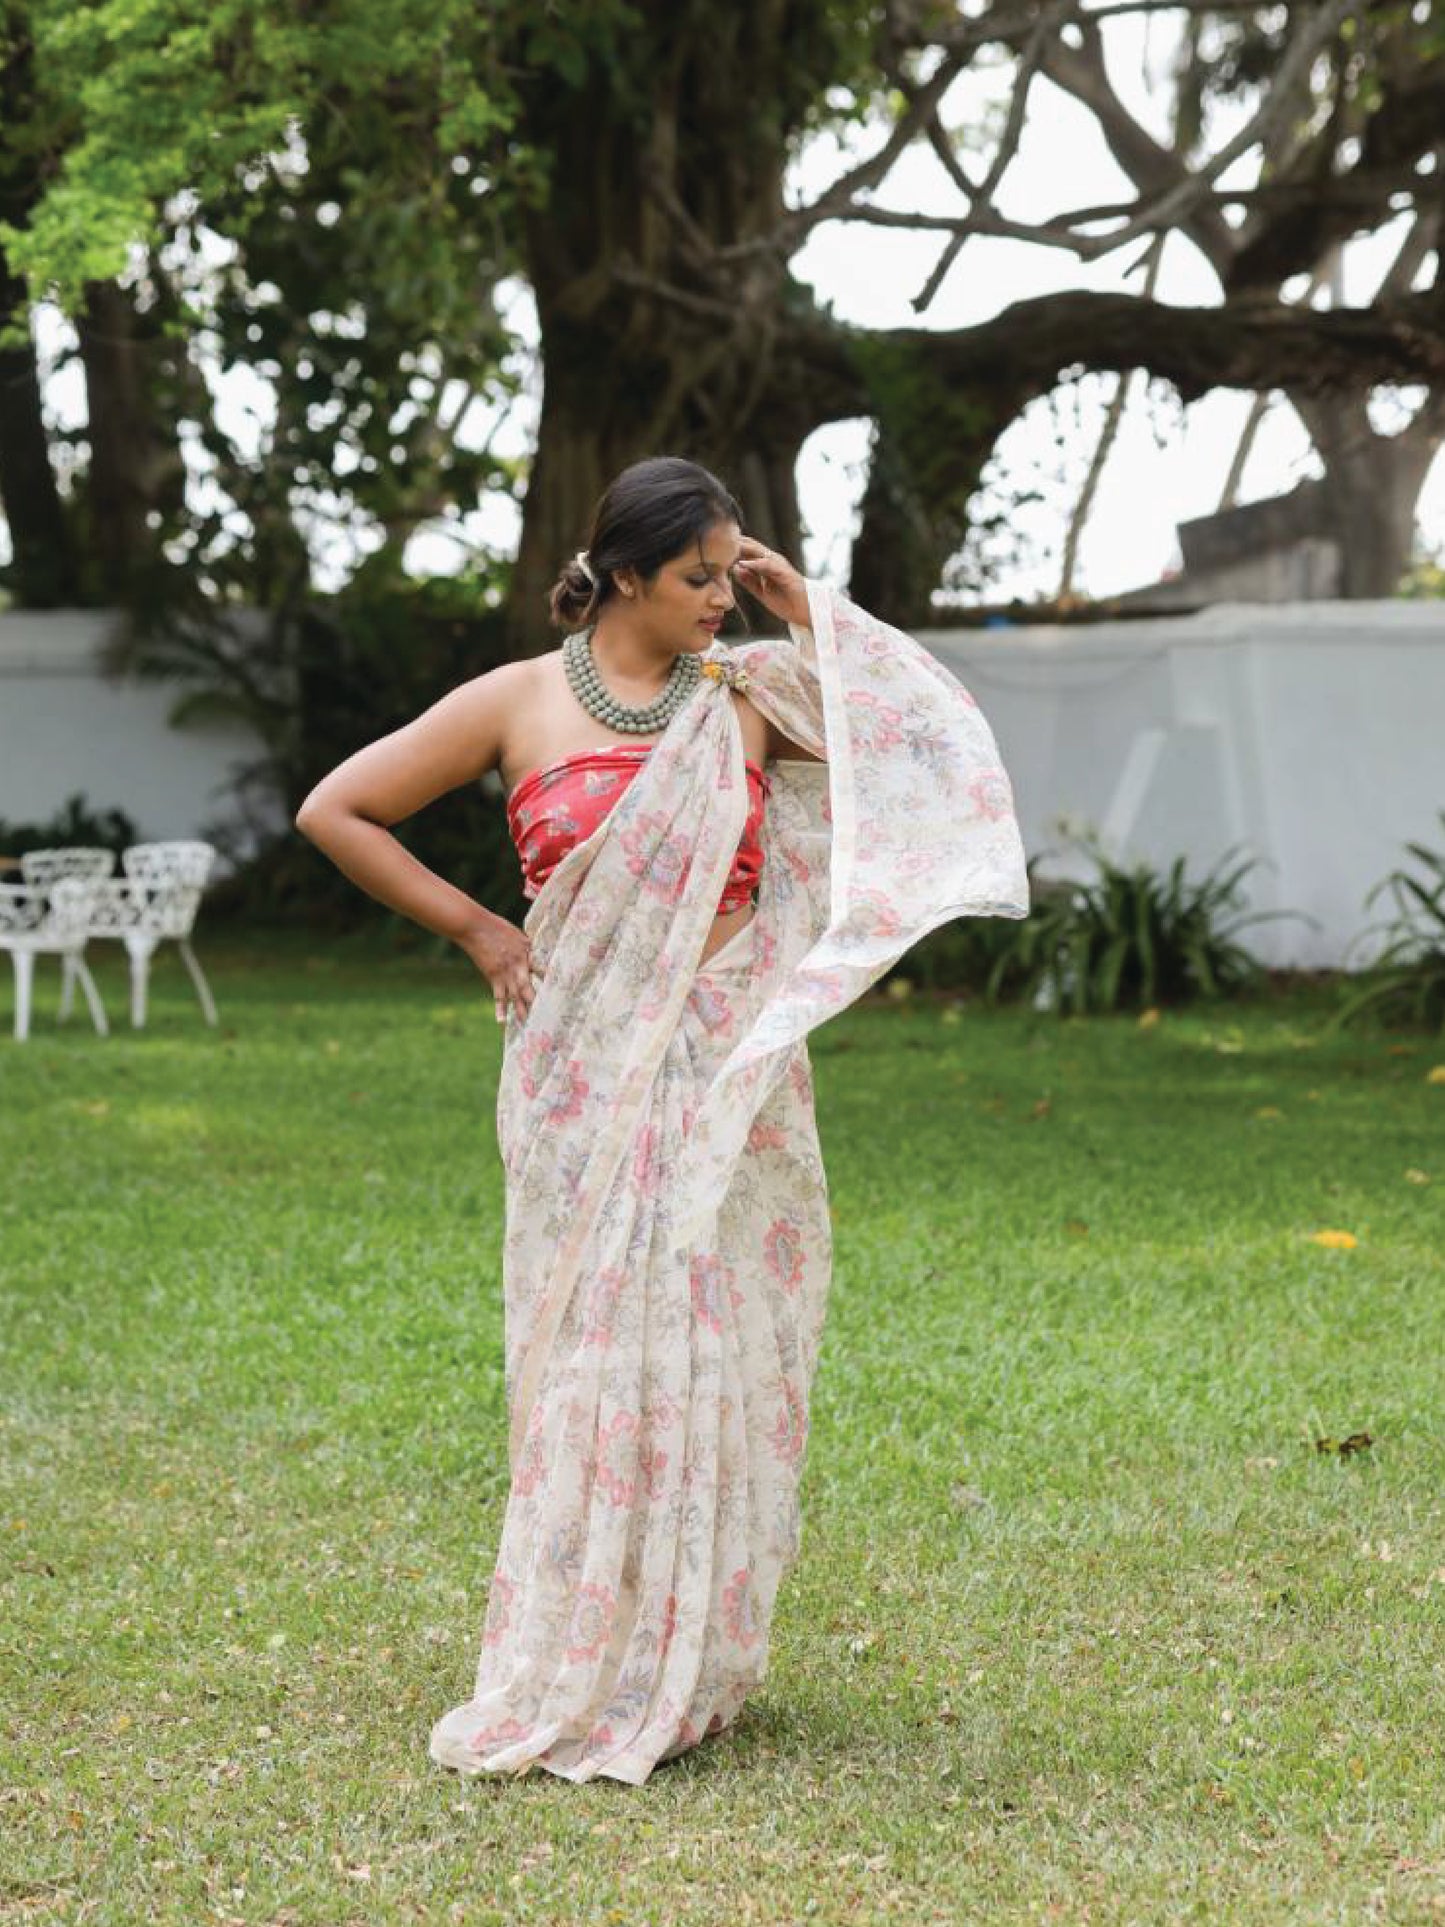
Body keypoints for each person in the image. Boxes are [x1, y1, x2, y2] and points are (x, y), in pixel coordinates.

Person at [295, 454, 1029, 1785]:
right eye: (699, 576)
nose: (717, 599)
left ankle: (683, 1661)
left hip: (720, 1065)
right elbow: (334, 808)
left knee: (706, 1345)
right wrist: (479, 932)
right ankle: (573, 1655)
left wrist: (801, 610)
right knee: (592, 1351)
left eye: (728, 575)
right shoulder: (516, 700)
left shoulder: (743, 692)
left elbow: (921, 744)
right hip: (581, 1065)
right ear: (624, 574)